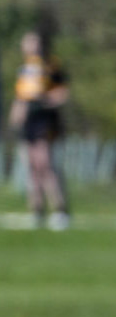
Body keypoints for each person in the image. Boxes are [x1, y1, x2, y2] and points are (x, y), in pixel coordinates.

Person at [9, 31, 71, 230]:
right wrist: (15, 118)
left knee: (45, 164)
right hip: (28, 123)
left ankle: (60, 210)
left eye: (33, 42)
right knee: (31, 167)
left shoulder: (50, 65)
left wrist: (44, 101)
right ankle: (37, 210)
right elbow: (20, 99)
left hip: (44, 121)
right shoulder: (23, 70)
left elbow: (62, 92)